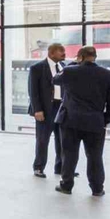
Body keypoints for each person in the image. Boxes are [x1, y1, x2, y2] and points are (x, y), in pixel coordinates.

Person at [53, 46, 110, 196]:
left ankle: (66, 185)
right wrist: (104, 120)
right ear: (95, 57)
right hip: (95, 122)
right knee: (95, 157)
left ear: (79, 57)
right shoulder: (108, 75)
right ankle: (97, 188)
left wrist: (73, 63)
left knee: (69, 155)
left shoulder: (70, 71)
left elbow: (55, 79)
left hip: (70, 121)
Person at [29, 44, 69, 179]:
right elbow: (33, 91)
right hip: (45, 109)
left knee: (62, 139)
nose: (64, 53)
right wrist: (37, 110)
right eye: (61, 51)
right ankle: (38, 167)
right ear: (51, 53)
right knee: (42, 140)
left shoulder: (64, 67)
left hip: (62, 108)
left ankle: (61, 168)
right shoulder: (37, 68)